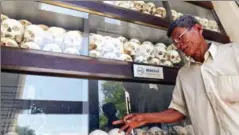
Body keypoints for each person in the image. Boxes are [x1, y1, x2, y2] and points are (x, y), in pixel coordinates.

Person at [113, 15, 239, 135]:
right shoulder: (184, 75)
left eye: (180, 37)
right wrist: (145, 118)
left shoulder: (234, 54)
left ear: (198, 28)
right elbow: (178, 111)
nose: (178, 45)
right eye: (175, 43)